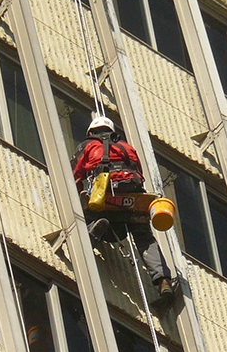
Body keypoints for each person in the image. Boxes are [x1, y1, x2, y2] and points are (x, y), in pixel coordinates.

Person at [71, 116, 173, 296]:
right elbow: (138, 171)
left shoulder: (88, 145)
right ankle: (163, 279)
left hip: (106, 192)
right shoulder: (127, 147)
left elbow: (74, 173)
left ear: (91, 132)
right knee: (144, 236)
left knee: (88, 212)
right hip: (133, 192)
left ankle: (93, 229)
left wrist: (78, 194)